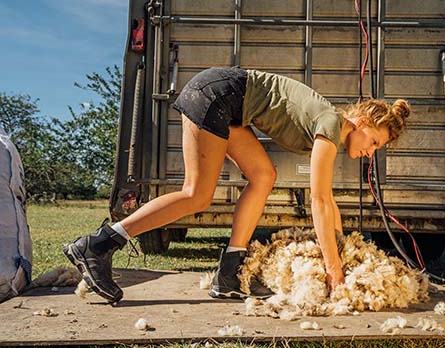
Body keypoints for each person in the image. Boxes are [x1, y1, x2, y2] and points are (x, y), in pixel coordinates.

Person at [63, 67, 410, 304]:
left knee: (263, 176)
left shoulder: (331, 125)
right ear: (363, 122)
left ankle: (227, 275)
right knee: (197, 195)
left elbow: (328, 203)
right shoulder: (332, 124)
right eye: (375, 142)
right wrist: (333, 269)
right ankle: (98, 244)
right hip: (217, 95)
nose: (370, 152)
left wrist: (342, 249)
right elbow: (319, 201)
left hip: (228, 103)